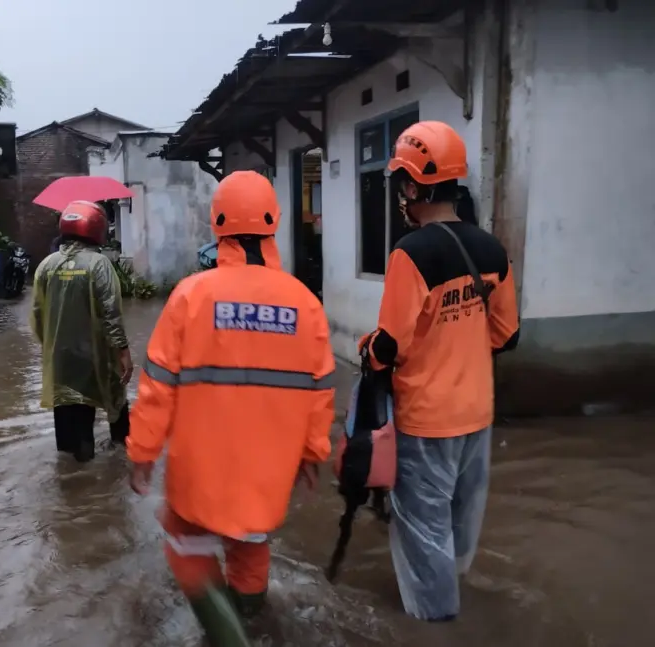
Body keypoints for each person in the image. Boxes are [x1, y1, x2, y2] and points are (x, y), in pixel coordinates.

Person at [127, 170, 335, 643]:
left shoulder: (190, 296)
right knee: (250, 552)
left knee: (187, 547)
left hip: (200, 472)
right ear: (273, 223)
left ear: (216, 223)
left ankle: (230, 638)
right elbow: (321, 390)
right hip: (268, 475)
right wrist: (311, 452)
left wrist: (142, 453)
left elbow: (157, 386)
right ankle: (253, 621)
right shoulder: (305, 304)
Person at [360, 121, 520, 622]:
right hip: (477, 413)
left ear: (413, 187)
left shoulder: (411, 254)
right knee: (460, 520)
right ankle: (461, 598)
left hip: (427, 420)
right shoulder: (491, 250)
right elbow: (506, 336)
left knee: (424, 529)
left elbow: (388, 346)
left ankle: (436, 625)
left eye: (402, 184)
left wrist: (369, 350)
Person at [30, 200, 134, 463]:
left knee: (67, 411)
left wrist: (50, 345)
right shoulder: (99, 265)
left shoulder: (46, 265)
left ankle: (70, 472)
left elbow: (38, 313)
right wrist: (122, 351)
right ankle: (118, 460)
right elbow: (111, 312)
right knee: (114, 400)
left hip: (60, 356)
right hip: (93, 355)